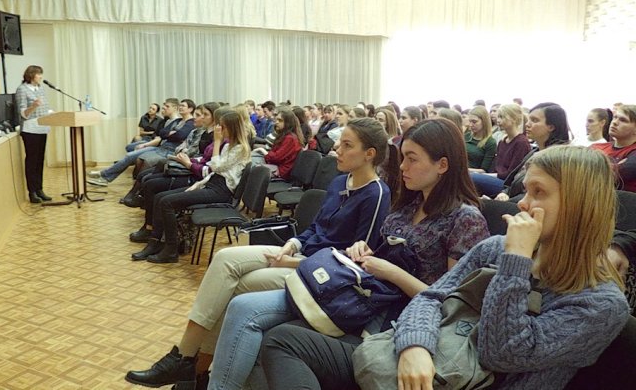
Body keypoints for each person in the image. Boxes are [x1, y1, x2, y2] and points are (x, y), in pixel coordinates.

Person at [261, 145, 629, 390]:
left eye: (539, 193)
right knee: (283, 340)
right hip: (430, 355)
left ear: (579, 206)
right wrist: (415, 347)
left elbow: (501, 353)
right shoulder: (495, 248)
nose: (522, 203)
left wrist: (516, 262)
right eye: (526, 191)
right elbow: (430, 298)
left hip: (469, 382)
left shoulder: (600, 303)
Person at [210, 118, 489, 390]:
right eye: (403, 157)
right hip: (365, 299)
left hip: (399, 325)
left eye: (412, 159)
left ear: (442, 165)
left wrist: (392, 272)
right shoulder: (407, 207)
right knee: (254, 324)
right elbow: (381, 256)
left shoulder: (465, 219)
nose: (402, 166)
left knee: (275, 337)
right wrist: (365, 251)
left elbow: (453, 305)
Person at [124, 118, 393, 389]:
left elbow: (354, 261)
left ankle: (196, 368)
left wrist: (293, 261)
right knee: (224, 259)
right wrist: (293, 245)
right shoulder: (339, 182)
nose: (337, 149)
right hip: (301, 255)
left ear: (369, 154)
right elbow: (315, 228)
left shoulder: (376, 194)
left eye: (347, 145)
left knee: (239, 286)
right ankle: (183, 356)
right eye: (340, 143)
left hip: (321, 273)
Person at [130, 107, 251, 263]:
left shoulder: (240, 148)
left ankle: (170, 249)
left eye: (222, 127)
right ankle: (154, 242)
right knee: (160, 197)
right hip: (213, 184)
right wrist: (198, 180)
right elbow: (214, 170)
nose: (218, 130)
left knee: (167, 202)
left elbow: (216, 167)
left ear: (232, 128)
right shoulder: (229, 146)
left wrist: (217, 142)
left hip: (221, 191)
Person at [493, 102, 571, 202]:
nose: (527, 124)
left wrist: (505, 201)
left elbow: (537, 195)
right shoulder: (535, 152)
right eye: (529, 119)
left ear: (551, 127)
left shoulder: (556, 159)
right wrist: (504, 193)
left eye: (534, 120)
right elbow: (511, 181)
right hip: (513, 198)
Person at [470, 103, 532, 197]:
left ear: (514, 119)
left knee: (471, 177)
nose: (498, 120)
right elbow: (497, 167)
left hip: (507, 185)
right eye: (498, 117)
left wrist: (485, 175)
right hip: (498, 178)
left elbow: (511, 175)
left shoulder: (521, 143)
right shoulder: (502, 141)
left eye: (502, 117)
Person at [15, 65, 53, 204]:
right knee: (32, 161)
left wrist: (53, 114)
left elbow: (45, 108)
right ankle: (32, 192)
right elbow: (23, 113)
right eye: (38, 74)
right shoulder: (22, 89)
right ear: (31, 75)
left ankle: (39, 189)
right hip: (30, 129)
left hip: (42, 127)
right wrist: (33, 106)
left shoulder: (41, 88)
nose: (41, 77)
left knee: (40, 160)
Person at [591, 104, 636, 192]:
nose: (614, 122)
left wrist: (593, 167)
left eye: (623, 120)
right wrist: (616, 166)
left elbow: (622, 174)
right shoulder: (596, 147)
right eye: (615, 117)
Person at [251, 108, 304, 180]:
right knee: (248, 160)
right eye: (276, 120)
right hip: (275, 165)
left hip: (280, 170)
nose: (276, 122)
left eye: (280, 120)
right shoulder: (284, 135)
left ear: (288, 123)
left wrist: (262, 150)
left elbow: (275, 158)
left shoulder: (290, 138)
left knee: (250, 165)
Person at [464, 105, 497, 171]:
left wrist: (465, 170)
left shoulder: (490, 143)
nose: (470, 125)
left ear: (484, 122)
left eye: (474, 122)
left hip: (474, 174)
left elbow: (484, 170)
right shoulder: (466, 136)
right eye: (470, 121)